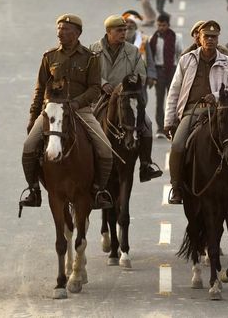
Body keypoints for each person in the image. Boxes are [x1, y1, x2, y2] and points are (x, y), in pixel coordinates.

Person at [20, 15, 113, 211]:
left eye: (65, 29)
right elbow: (39, 89)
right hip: (52, 110)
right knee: (29, 146)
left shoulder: (90, 58)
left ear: (77, 33)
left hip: (80, 111)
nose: (60, 33)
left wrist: (77, 103)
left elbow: (95, 88)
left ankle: (98, 190)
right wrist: (33, 116)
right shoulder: (49, 56)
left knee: (105, 149)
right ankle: (34, 190)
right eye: (59, 29)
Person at [164, 20, 228, 204]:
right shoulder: (187, 60)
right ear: (199, 39)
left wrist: (216, 96)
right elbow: (174, 92)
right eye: (206, 36)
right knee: (177, 145)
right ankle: (176, 187)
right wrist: (169, 121)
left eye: (214, 37)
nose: (210, 39)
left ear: (218, 39)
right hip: (192, 112)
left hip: (221, 111)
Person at [90, 15, 163, 183]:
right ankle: (87, 165)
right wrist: (102, 83)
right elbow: (89, 73)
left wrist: (124, 86)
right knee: (86, 126)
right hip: (100, 98)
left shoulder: (133, 51)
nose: (124, 33)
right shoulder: (93, 49)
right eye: (119, 30)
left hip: (127, 99)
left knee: (147, 124)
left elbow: (142, 76)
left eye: (125, 30)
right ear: (108, 32)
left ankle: (145, 164)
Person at [150, 14, 183, 139]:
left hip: (172, 71)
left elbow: (180, 54)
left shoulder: (176, 37)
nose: (161, 27)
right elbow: (150, 58)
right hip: (159, 72)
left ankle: (173, 126)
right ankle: (160, 128)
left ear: (168, 25)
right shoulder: (153, 39)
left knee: (173, 100)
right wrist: (152, 75)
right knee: (159, 101)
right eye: (159, 25)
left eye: (163, 25)